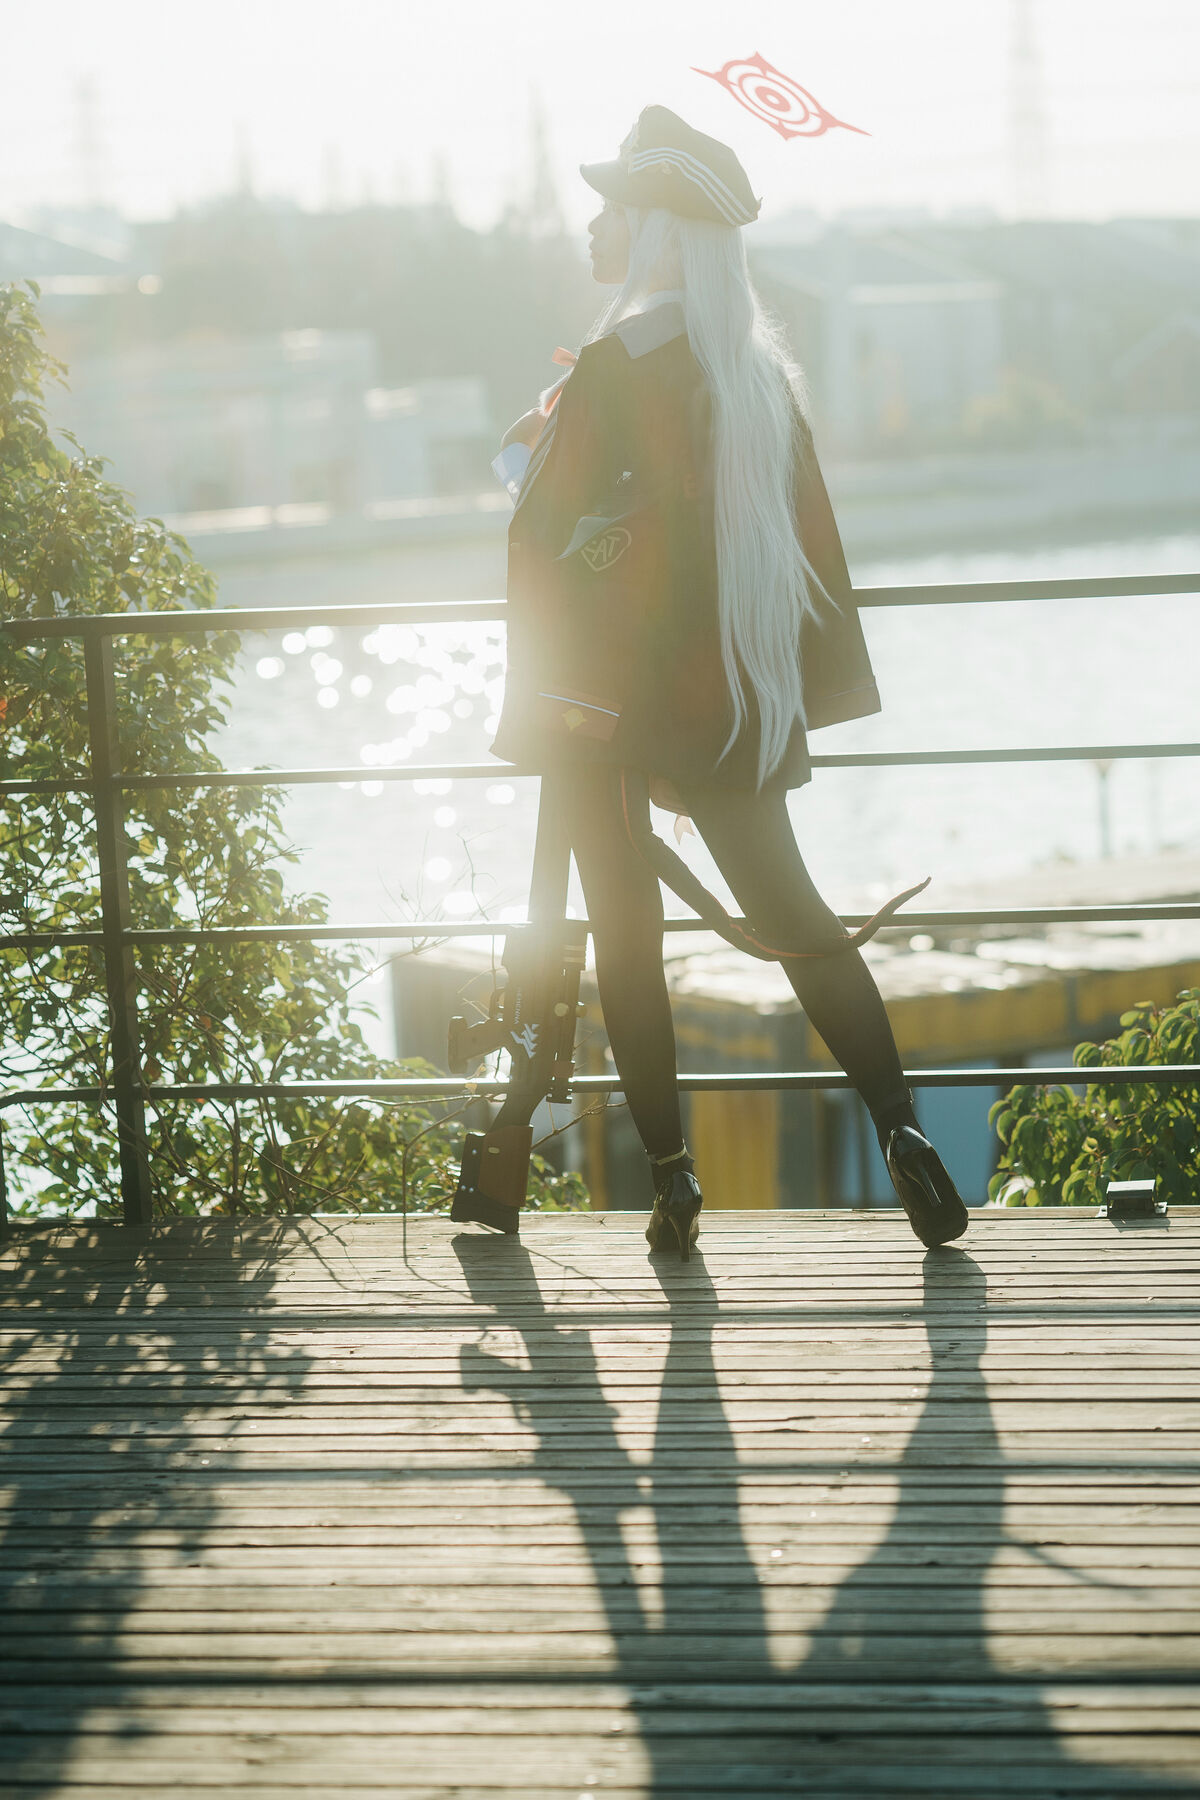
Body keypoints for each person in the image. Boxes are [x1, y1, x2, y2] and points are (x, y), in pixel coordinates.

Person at [488, 105, 968, 1259]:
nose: (595, 226)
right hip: (729, 700)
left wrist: (523, 459)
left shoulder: (615, 365)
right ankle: (902, 1126)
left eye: (612, 208)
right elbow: (799, 556)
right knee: (798, 917)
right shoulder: (759, 379)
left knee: (628, 941)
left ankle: (673, 1182)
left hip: (608, 713)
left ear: (655, 230)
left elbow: (541, 531)